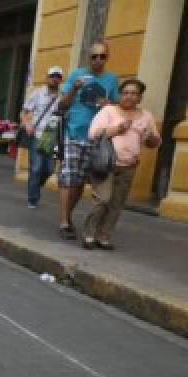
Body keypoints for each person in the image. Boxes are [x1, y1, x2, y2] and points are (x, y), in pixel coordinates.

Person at [82, 78, 162, 250]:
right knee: (102, 200)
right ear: (120, 95)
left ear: (140, 97)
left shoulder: (146, 116)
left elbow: (154, 142)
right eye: (126, 93)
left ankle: (103, 237)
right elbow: (93, 133)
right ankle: (89, 234)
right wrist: (118, 129)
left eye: (134, 93)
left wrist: (151, 139)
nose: (129, 96)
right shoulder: (109, 111)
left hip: (129, 166)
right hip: (105, 163)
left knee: (117, 204)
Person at [57, 41, 119, 240]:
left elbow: (117, 106)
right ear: (88, 57)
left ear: (107, 57)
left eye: (102, 56)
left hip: (97, 138)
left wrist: (109, 104)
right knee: (69, 180)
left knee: (80, 182)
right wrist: (74, 89)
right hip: (74, 133)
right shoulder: (76, 75)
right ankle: (64, 221)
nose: (98, 60)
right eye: (94, 56)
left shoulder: (111, 79)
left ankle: (67, 217)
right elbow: (62, 105)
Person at [21, 66, 64, 209]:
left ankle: (34, 185)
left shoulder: (63, 96)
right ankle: (32, 198)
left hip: (53, 138)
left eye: (58, 76)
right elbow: (24, 111)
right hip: (38, 135)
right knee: (36, 168)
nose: (54, 79)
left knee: (50, 169)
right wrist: (27, 124)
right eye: (52, 76)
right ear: (47, 77)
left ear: (60, 79)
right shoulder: (38, 94)